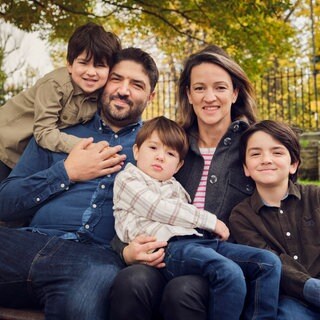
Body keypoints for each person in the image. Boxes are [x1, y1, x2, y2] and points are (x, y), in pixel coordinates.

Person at [109, 49, 280, 320]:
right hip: (162, 251)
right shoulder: (170, 145)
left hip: (220, 258)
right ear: (189, 94)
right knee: (132, 281)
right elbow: (131, 206)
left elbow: (277, 211)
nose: (209, 97)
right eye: (199, 88)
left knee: (183, 290)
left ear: (234, 93)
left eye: (220, 88)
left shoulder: (254, 148)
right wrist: (126, 251)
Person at [0, 47, 167, 320]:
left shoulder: (158, 148)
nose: (123, 90)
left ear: (150, 97)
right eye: (116, 79)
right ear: (103, 82)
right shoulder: (57, 135)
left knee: (79, 305)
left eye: (136, 85)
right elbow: (4, 204)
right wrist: (66, 172)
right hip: (22, 243)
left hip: (92, 259)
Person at [0, 22, 121, 182]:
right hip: (4, 144)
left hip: (26, 157)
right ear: (70, 65)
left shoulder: (101, 94)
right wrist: (85, 146)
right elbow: (44, 132)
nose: (91, 72)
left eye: (100, 66)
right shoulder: (55, 85)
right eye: (83, 63)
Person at [229, 120, 320, 320]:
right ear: (245, 168)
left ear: (293, 164)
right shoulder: (242, 216)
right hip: (290, 300)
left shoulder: (316, 196)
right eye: (255, 154)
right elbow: (272, 263)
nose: (266, 159)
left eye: (277, 152)